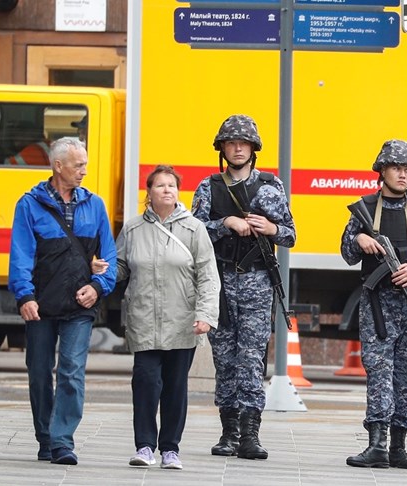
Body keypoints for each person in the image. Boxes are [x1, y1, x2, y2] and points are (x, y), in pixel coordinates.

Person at [191, 114, 296, 460]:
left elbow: (291, 234)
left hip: (256, 282)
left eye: (243, 143)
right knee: (225, 359)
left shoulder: (270, 186)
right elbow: (194, 232)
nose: (237, 148)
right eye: (231, 143)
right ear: (222, 148)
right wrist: (226, 223)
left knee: (251, 358)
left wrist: (270, 228)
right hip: (218, 282)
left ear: (253, 148)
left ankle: (250, 434)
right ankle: (228, 432)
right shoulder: (209, 187)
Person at [8, 137, 117, 465]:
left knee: (71, 371)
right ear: (58, 166)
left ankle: (62, 441)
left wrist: (97, 286)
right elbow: (21, 255)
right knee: (39, 372)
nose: (84, 170)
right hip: (40, 306)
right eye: (78, 165)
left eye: (85, 164)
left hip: (79, 307)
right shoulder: (29, 205)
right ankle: (46, 437)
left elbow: (110, 255)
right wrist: (24, 295)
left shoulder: (95, 205)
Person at [340, 140, 407, 469]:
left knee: (404, 374)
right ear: (382, 171)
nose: (403, 174)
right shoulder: (366, 208)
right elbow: (346, 252)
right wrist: (359, 239)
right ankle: (377, 444)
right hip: (377, 303)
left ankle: (398, 445)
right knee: (379, 372)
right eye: (397, 168)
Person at [117, 165, 220, 470]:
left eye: (171, 185)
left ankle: (170, 449)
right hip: (143, 319)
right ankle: (145, 446)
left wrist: (205, 315)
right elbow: (122, 266)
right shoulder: (133, 229)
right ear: (148, 193)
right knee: (146, 383)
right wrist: (105, 270)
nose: (166, 190)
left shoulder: (193, 229)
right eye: (159, 185)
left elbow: (208, 276)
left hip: (182, 321)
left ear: (178, 192)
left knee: (175, 387)